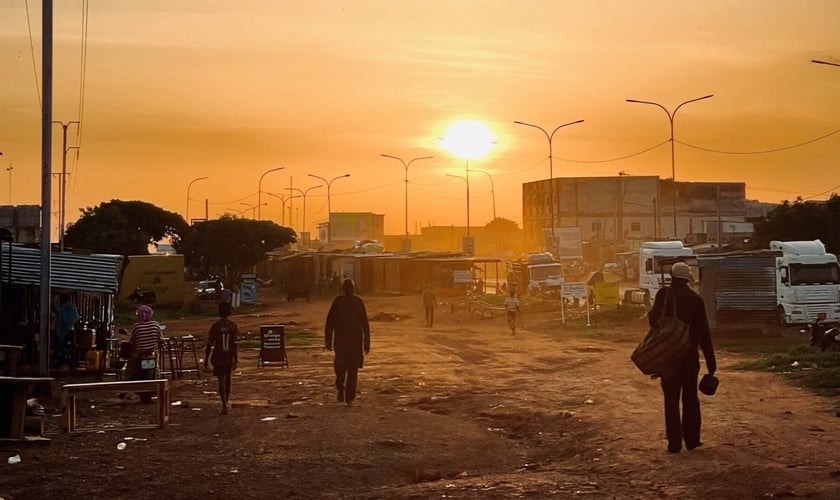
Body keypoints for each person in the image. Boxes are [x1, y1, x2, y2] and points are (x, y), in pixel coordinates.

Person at [647, 261, 717, 454]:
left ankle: (674, 443)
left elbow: (653, 320)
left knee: (670, 399)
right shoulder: (695, 300)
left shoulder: (663, 295)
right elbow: (704, 334)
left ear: (672, 276)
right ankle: (692, 440)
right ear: (688, 279)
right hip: (688, 357)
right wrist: (711, 364)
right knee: (690, 398)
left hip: (668, 356)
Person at [325, 279, 370, 406]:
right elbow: (330, 323)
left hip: (354, 343)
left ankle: (349, 397)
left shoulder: (358, 302)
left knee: (353, 371)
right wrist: (328, 340)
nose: (350, 290)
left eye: (351, 288)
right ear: (344, 289)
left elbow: (365, 324)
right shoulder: (338, 302)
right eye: (348, 288)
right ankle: (341, 387)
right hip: (342, 342)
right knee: (340, 369)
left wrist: (367, 342)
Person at [121, 305, 163, 402]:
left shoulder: (137, 327)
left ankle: (125, 389)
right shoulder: (156, 325)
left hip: (138, 354)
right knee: (156, 371)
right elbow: (160, 340)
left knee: (130, 371)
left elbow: (132, 341)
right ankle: (154, 389)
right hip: (152, 354)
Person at [204, 301, 239, 415]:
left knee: (221, 381)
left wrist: (206, 360)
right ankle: (226, 402)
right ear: (229, 312)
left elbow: (209, 344)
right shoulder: (233, 326)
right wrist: (236, 359)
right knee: (228, 380)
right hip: (228, 356)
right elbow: (235, 344)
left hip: (218, 356)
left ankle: (224, 404)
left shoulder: (215, 326)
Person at [53, 294, 80, 369]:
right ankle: (71, 363)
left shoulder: (62, 308)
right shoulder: (72, 307)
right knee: (71, 348)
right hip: (71, 330)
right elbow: (76, 319)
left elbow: (60, 318)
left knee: (61, 348)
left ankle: (60, 363)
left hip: (64, 331)